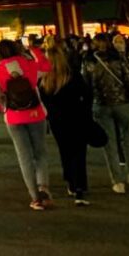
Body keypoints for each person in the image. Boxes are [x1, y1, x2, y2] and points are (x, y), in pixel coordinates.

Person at [0, 40, 52, 210]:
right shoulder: (29, 65)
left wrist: (4, 108)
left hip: (14, 117)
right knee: (40, 152)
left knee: (24, 157)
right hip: (35, 113)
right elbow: (46, 67)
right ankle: (43, 188)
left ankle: (35, 197)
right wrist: (34, 50)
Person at [83, 35, 129, 194]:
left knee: (109, 144)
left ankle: (117, 181)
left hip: (101, 105)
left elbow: (86, 87)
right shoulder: (118, 59)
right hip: (123, 103)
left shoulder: (89, 61)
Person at [39, 36, 93, 206]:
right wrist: (86, 110)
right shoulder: (72, 75)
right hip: (77, 116)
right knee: (79, 152)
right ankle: (80, 187)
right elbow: (88, 94)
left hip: (57, 120)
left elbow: (42, 101)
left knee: (65, 151)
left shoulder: (45, 80)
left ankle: (70, 180)